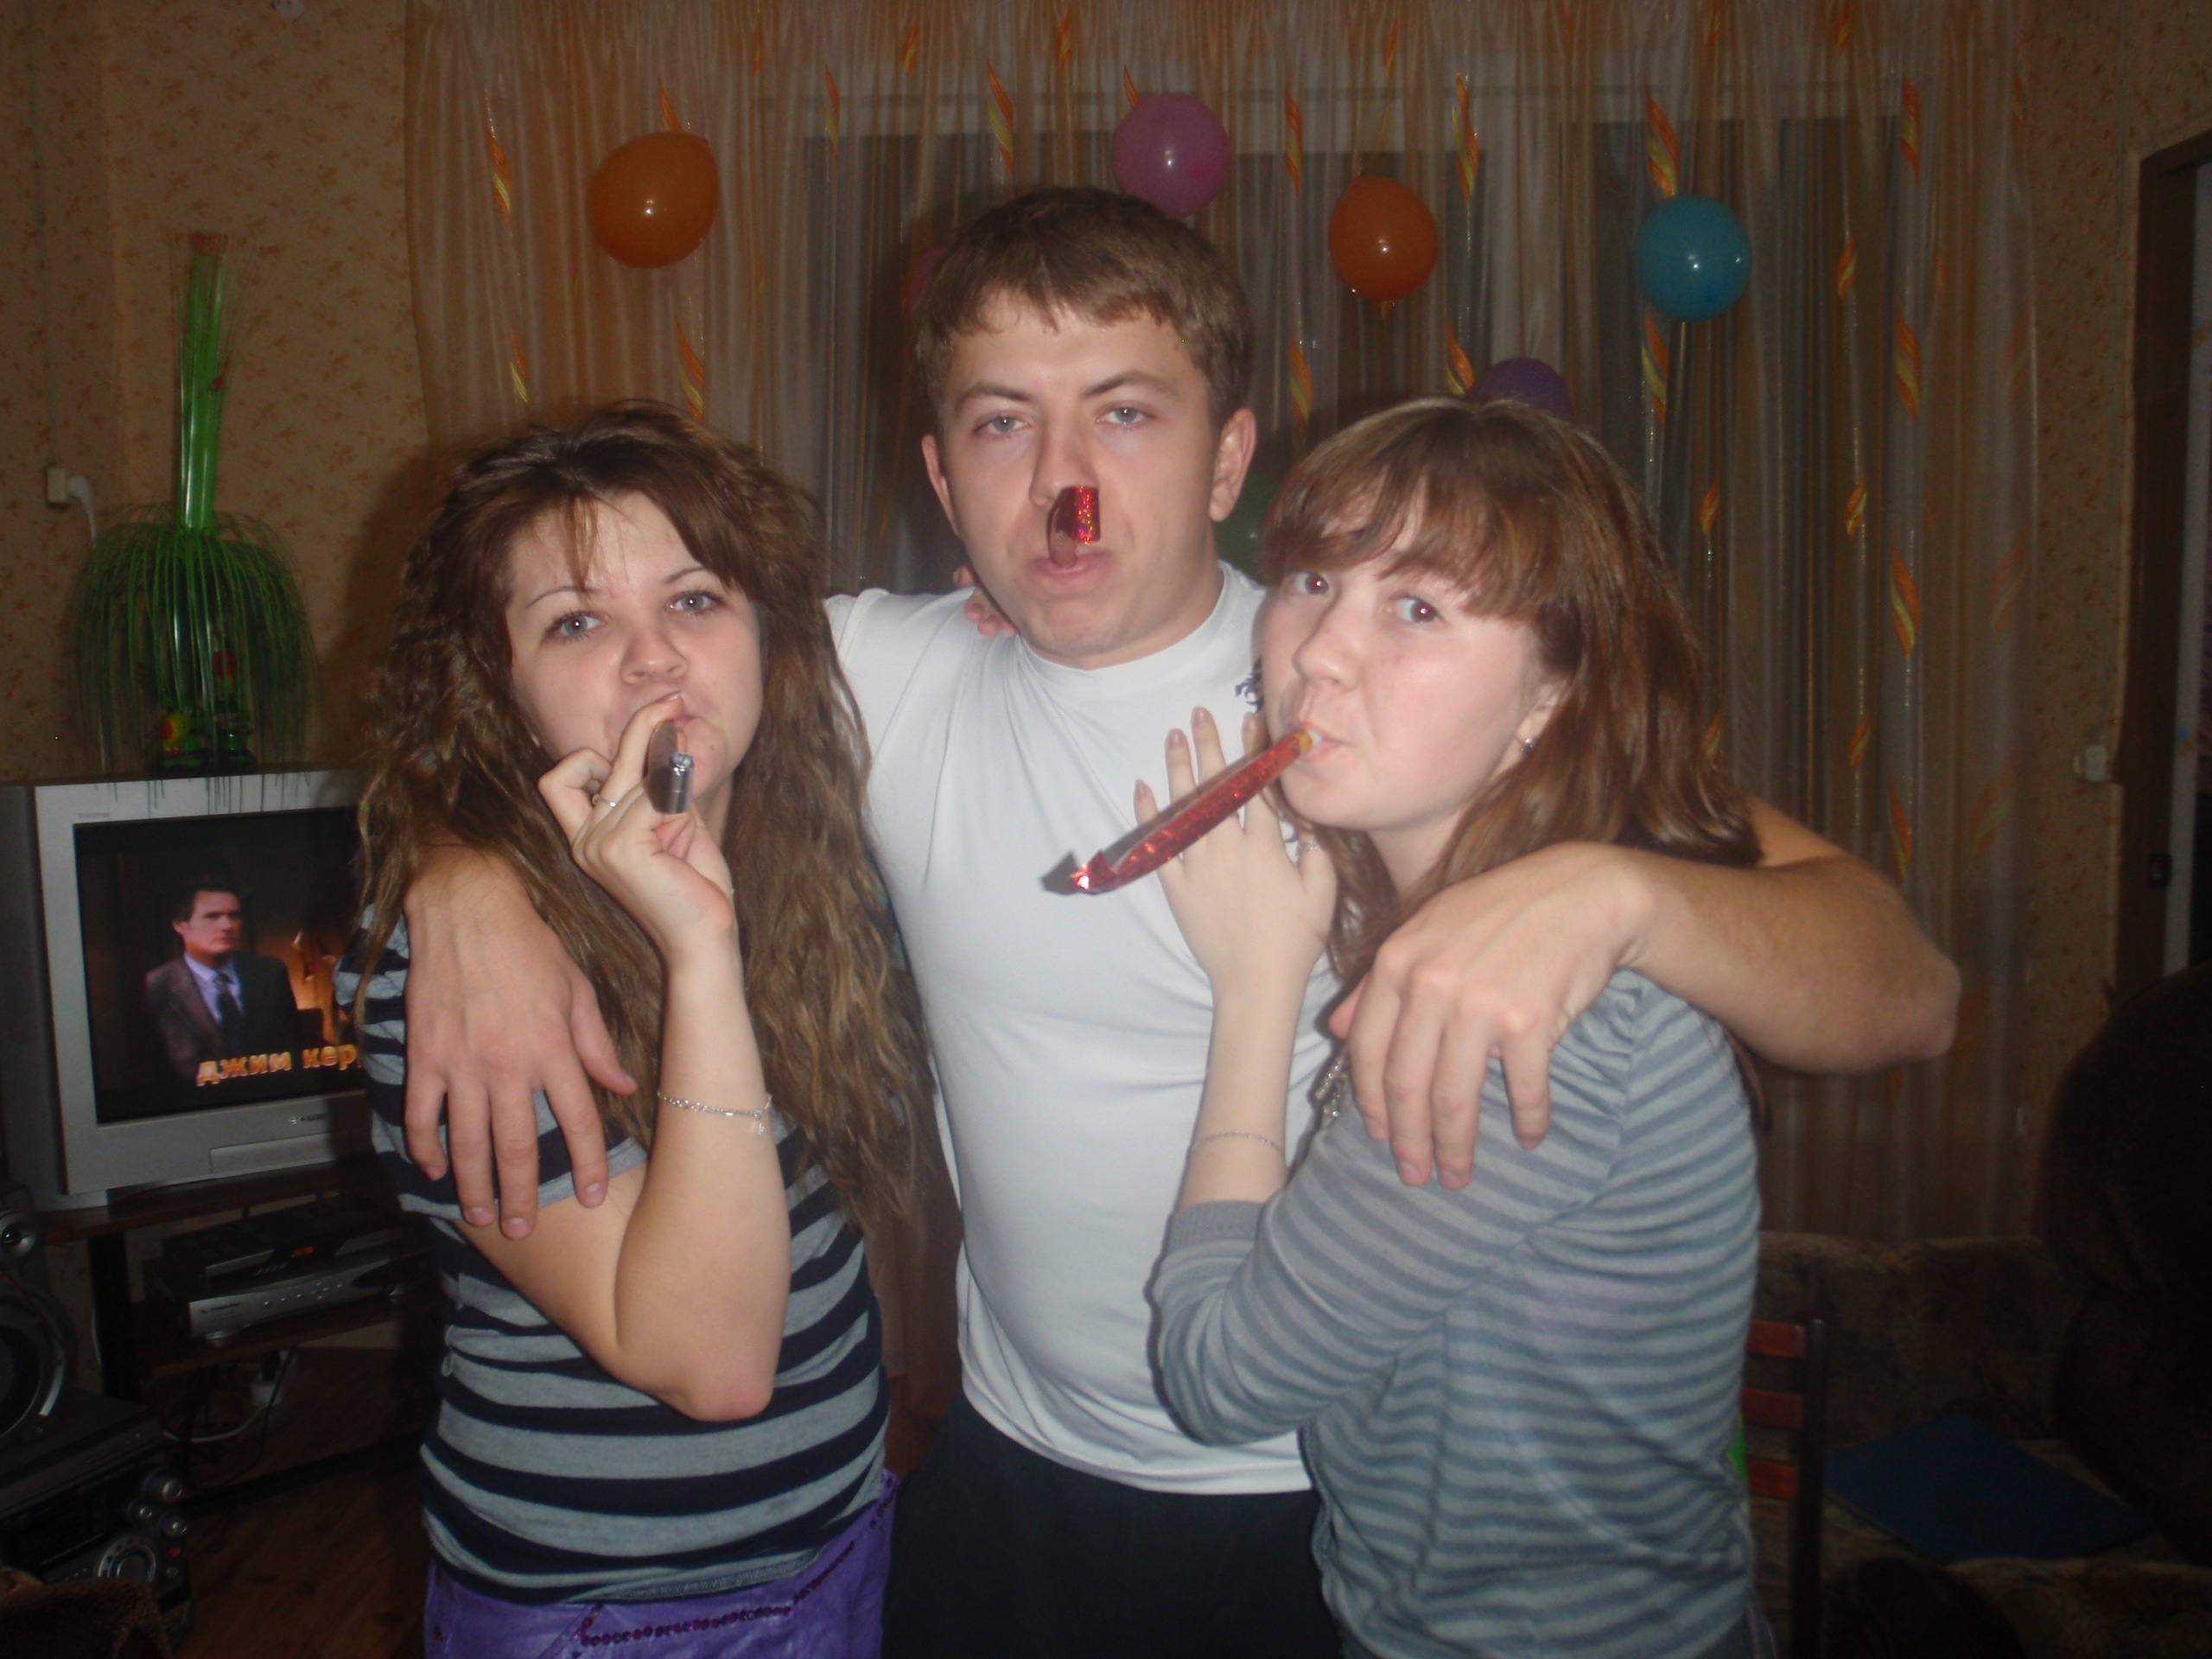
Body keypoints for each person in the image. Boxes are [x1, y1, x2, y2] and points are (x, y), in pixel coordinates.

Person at [390, 190, 1957, 1656]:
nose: (1061, 484)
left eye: (1125, 413)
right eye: (1003, 422)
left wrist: (1627, 891)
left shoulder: (1378, 705)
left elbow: (1905, 987)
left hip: (1321, 1500)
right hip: (1006, 1468)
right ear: (942, 476)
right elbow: (602, 684)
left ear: (1227, 461)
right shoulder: (876, 674)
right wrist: (464, 882)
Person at [1147, 397, 1774, 1657]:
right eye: (1312, 580)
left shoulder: (1523, 1015)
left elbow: (1218, 1378)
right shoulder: (1449, 908)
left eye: (1419, 609)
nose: (1321, 655)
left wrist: (1255, 994)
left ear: (1552, 693)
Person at [336, 404, 929, 1657]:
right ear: (499, 689)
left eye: (696, 599)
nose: (656, 660)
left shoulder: (818, 873)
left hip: (840, 1542)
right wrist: (697, 954)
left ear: (769, 634)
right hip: (609, 1613)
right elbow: (709, 1364)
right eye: (577, 621)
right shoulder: (459, 983)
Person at [145, 880, 302, 1079]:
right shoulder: (158, 986)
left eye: (234, 916)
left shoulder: (270, 974)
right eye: (212, 916)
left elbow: (293, 1051)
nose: (227, 926)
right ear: (180, 925)